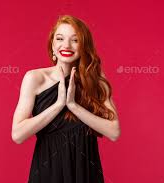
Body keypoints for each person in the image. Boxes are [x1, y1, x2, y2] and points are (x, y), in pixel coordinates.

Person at [11, 15, 121, 183]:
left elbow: (114, 132)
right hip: (48, 170)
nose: (66, 45)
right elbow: (18, 135)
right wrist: (58, 104)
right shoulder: (35, 78)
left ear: (84, 45)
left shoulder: (96, 80)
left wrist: (73, 105)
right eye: (60, 38)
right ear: (53, 45)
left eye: (75, 40)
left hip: (85, 171)